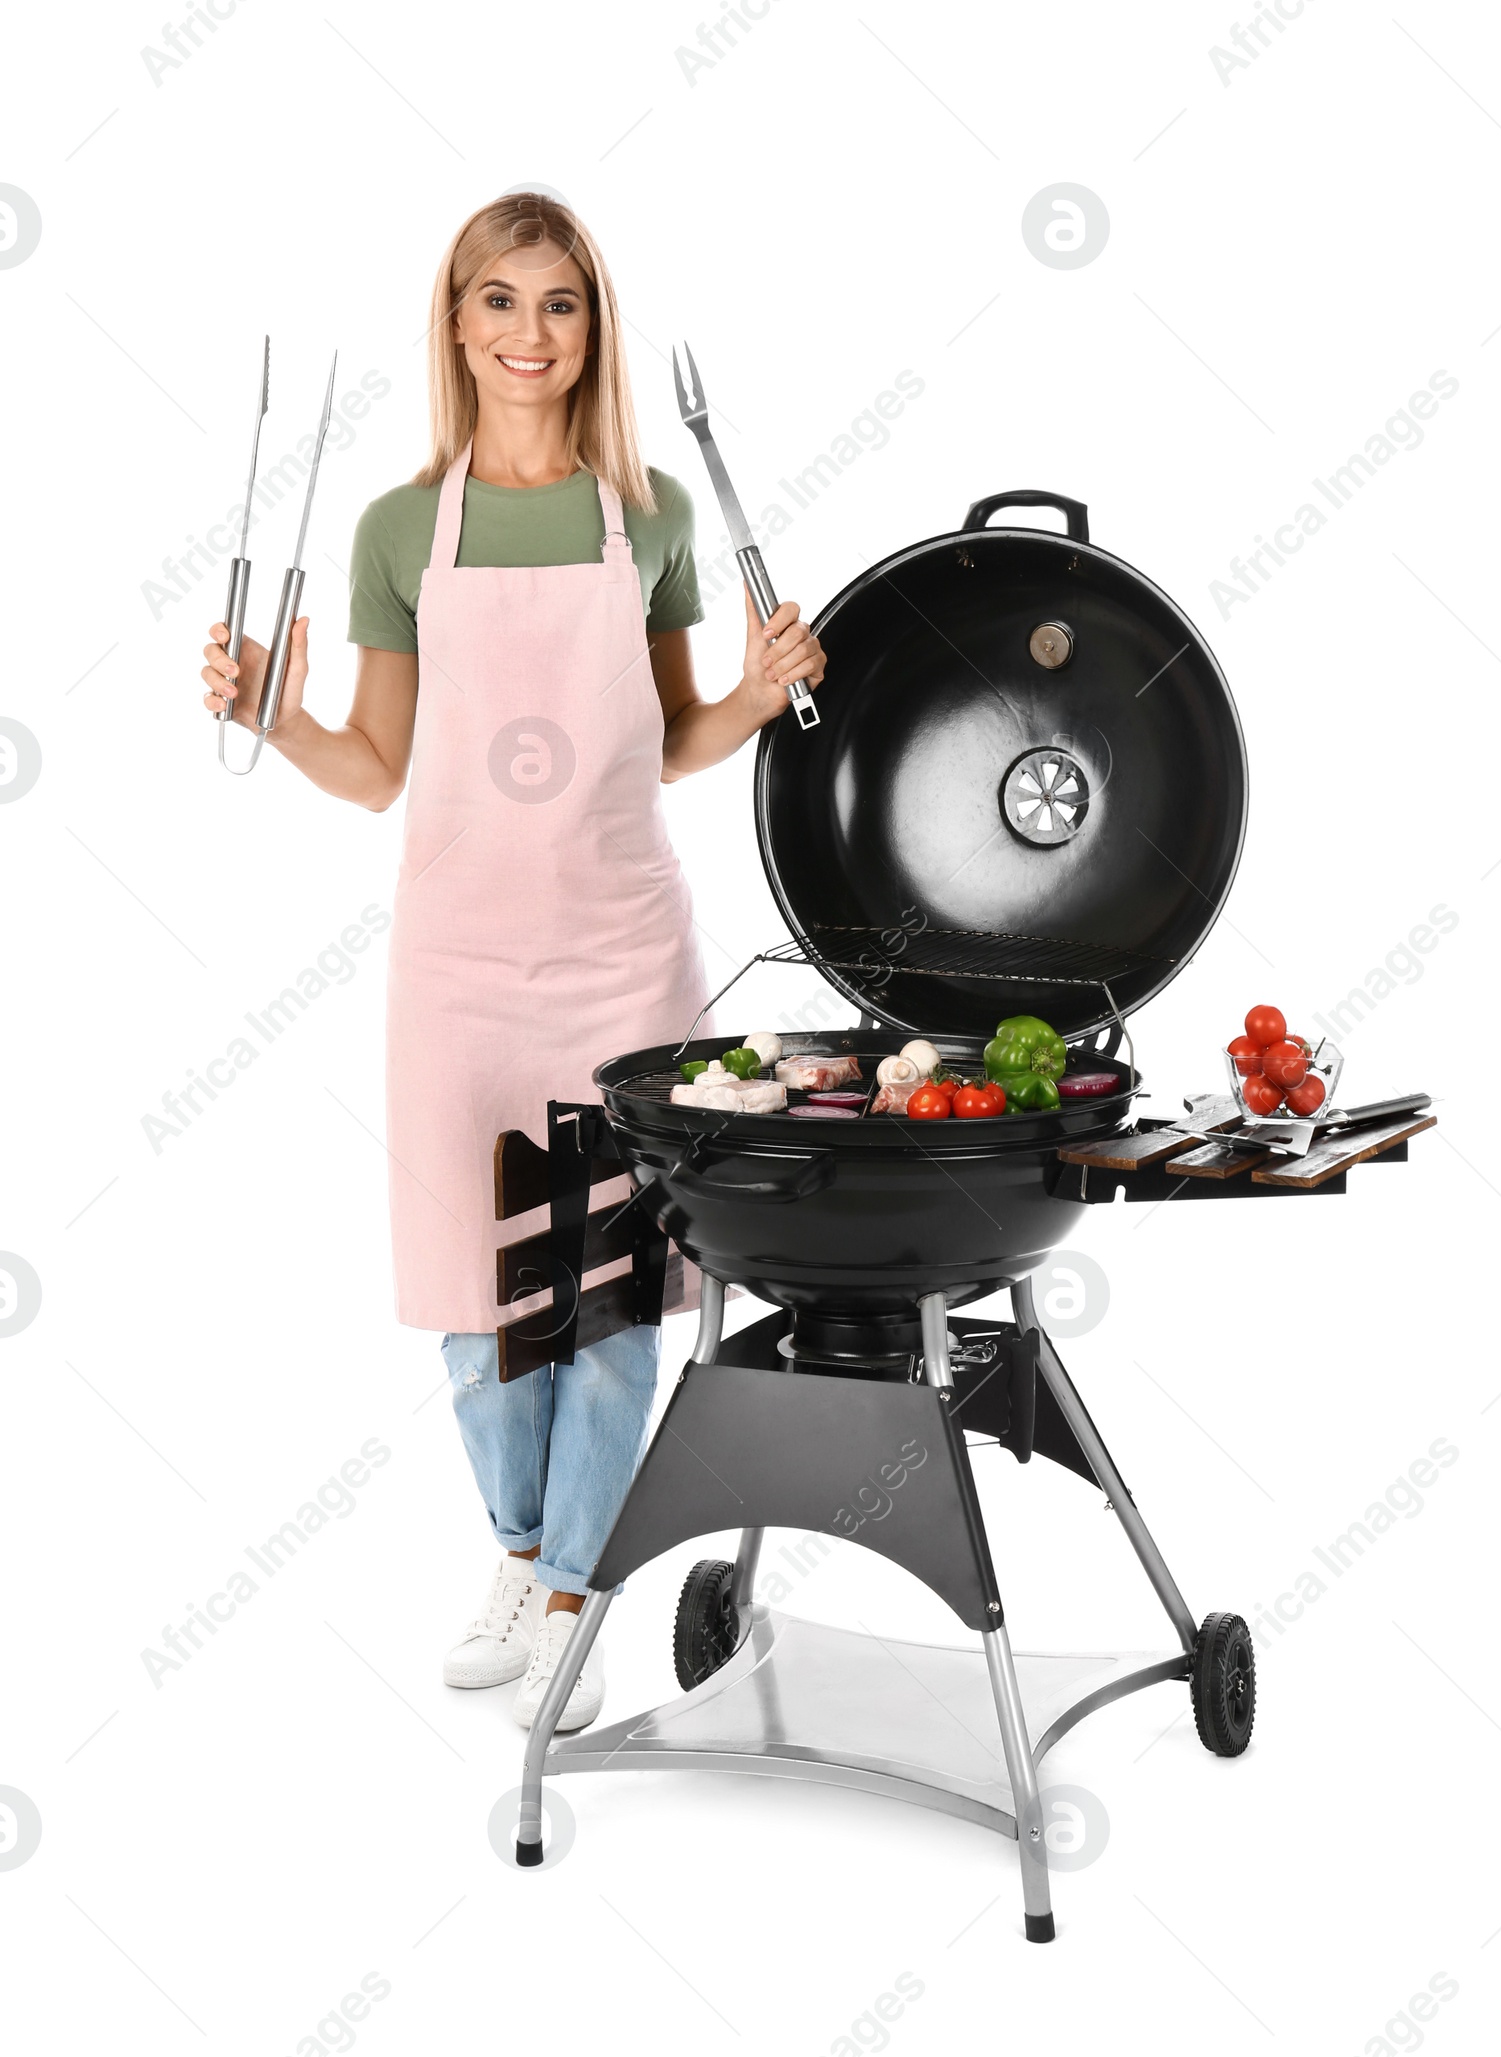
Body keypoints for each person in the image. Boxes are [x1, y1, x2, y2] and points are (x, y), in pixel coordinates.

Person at [198, 190, 824, 1731]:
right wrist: (271, 711)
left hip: (623, 952)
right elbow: (374, 768)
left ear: (590, 327)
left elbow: (666, 740)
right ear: (458, 321)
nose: (529, 335)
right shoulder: (403, 529)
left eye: (559, 304)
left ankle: (567, 1596)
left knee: (609, 1295)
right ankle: (529, 1552)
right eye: (499, 302)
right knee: (487, 1309)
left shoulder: (655, 512)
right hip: (462, 963)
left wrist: (753, 697)